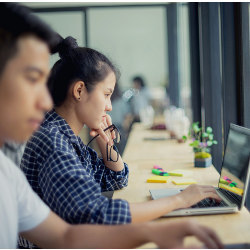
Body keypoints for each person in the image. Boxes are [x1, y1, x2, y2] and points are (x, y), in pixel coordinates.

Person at [0, 3, 223, 249]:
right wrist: (178, 200)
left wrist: (105, 144)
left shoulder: (65, 139)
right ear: (79, 90)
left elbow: (115, 181)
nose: (109, 106)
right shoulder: (52, 139)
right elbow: (96, 215)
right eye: (106, 94)